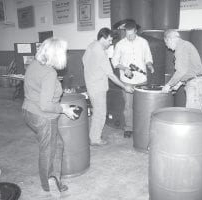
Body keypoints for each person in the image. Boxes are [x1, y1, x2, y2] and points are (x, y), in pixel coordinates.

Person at [22, 37, 77, 192]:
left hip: (28, 111)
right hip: (43, 117)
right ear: (57, 54)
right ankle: (49, 185)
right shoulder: (49, 73)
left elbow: (37, 89)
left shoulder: (35, 64)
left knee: (56, 145)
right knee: (48, 150)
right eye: (64, 52)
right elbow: (46, 105)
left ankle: (50, 177)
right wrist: (63, 109)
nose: (66, 55)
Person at [82, 27, 134, 146]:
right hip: (98, 87)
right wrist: (125, 86)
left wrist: (94, 71)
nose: (111, 44)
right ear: (103, 38)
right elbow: (111, 75)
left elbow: (83, 60)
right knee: (100, 113)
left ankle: (93, 135)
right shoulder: (101, 52)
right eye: (109, 40)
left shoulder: (91, 46)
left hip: (90, 84)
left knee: (96, 111)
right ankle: (95, 139)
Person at [112, 19, 154, 138]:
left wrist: (150, 65)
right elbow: (114, 62)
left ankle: (143, 127)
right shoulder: (120, 44)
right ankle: (129, 128)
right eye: (127, 34)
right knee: (128, 106)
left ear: (136, 31)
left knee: (143, 105)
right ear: (125, 32)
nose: (129, 37)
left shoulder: (143, 42)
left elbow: (148, 57)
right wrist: (124, 68)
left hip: (142, 79)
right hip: (127, 81)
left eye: (132, 34)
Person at [161, 29, 202, 109]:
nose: (167, 46)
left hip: (195, 84)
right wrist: (179, 83)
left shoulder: (181, 48)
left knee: (192, 116)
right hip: (199, 82)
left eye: (166, 43)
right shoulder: (185, 45)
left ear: (169, 39)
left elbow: (181, 70)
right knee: (195, 115)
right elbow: (188, 69)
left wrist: (168, 85)